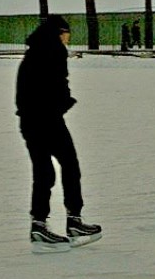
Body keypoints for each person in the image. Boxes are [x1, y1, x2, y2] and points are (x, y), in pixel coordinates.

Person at [15, 14, 102, 252]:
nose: (68, 39)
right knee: (68, 166)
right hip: (45, 119)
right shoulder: (53, 51)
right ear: (59, 33)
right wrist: (64, 102)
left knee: (45, 171)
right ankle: (71, 221)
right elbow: (56, 85)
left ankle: (40, 224)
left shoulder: (34, 52)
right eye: (67, 34)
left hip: (31, 120)